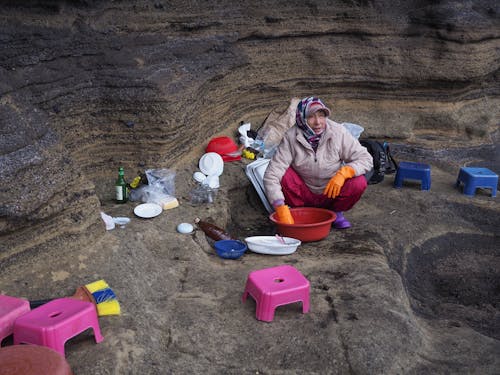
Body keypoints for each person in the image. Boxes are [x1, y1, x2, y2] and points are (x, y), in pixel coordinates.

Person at [263, 96, 373, 229]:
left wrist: (345, 172)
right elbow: (272, 174)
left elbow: (366, 159)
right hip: (303, 194)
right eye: (311, 117)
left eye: (321, 116)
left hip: (331, 191)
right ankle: (300, 212)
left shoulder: (338, 132)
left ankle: (336, 213)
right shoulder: (291, 136)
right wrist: (279, 205)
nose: (318, 122)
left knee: (358, 182)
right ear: (301, 118)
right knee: (284, 174)